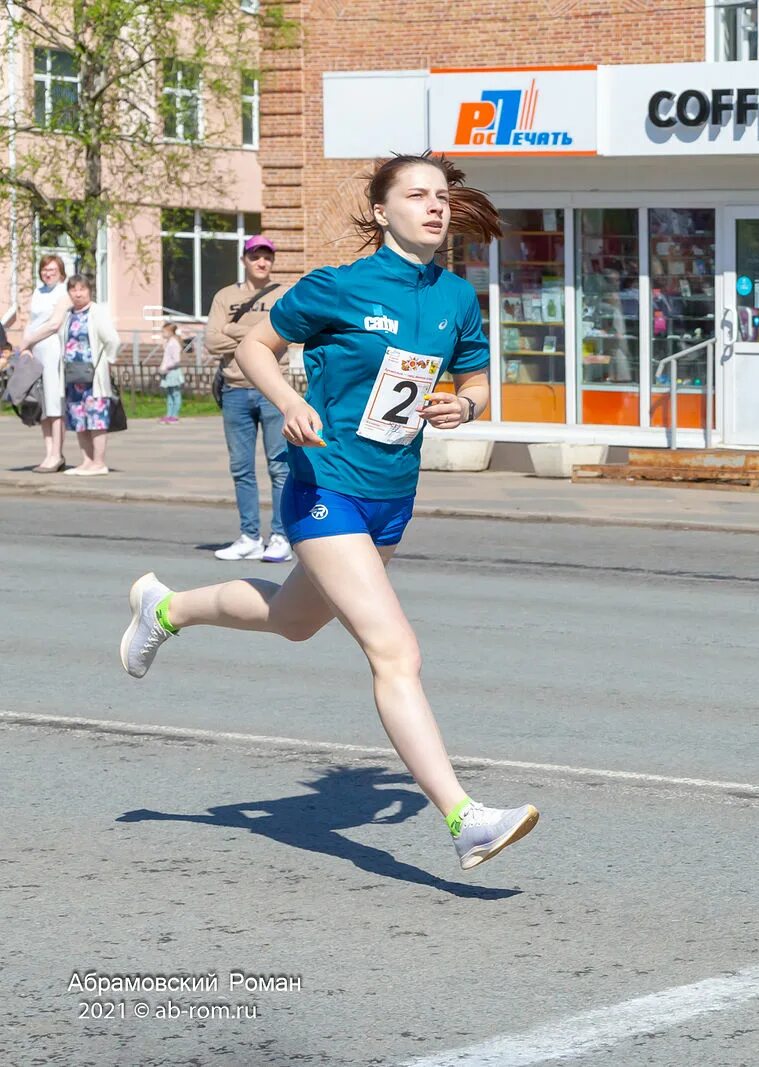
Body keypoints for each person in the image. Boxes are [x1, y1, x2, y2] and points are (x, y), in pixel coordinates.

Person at [118, 152, 538, 872]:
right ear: (382, 211)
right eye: (417, 195)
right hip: (325, 484)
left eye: (441, 196)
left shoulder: (453, 297)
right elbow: (253, 344)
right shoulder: (337, 288)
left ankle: (164, 608)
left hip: (391, 494)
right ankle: (465, 817)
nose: (435, 207)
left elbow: (476, 375)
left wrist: (464, 403)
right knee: (396, 650)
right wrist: (289, 401)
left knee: (294, 620)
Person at [206, 235, 291, 562]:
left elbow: (288, 336)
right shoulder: (226, 296)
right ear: (244, 259)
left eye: (267, 256)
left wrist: (233, 331)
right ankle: (250, 536)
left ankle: (281, 537)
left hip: (272, 390)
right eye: (256, 256)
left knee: (280, 467)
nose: (262, 262)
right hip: (235, 390)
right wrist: (259, 337)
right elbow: (212, 341)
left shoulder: (282, 294)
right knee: (241, 467)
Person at [12, 256, 71, 472]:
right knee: (42, 404)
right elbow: (31, 321)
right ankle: (48, 453)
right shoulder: (38, 292)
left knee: (55, 404)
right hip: (36, 350)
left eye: (53, 269)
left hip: (53, 349)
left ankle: (57, 453)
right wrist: (25, 346)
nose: (48, 273)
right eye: (45, 269)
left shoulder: (64, 292)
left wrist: (30, 340)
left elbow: (54, 324)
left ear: (61, 271)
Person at [58, 275, 121, 475]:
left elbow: (112, 339)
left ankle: (99, 462)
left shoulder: (97, 312)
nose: (78, 293)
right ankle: (86, 461)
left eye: (82, 289)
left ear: (89, 291)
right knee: (78, 418)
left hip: (93, 376)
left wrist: (108, 361)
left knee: (96, 418)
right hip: (72, 376)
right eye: (73, 290)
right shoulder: (68, 314)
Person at [158, 323, 185, 424]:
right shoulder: (169, 342)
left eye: (164, 331)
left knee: (175, 394)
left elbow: (176, 360)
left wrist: (167, 368)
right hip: (168, 372)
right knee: (169, 394)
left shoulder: (174, 343)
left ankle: (175, 415)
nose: (162, 334)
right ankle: (169, 414)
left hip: (173, 372)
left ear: (170, 332)